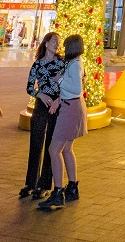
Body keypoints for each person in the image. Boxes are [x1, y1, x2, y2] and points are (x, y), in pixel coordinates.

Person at [38, 33, 86, 212]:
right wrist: (58, 99)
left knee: (53, 149)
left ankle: (58, 192)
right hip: (72, 106)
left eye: (66, 46)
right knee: (66, 149)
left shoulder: (74, 65)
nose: (63, 48)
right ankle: (72, 186)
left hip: (70, 109)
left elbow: (75, 88)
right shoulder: (76, 63)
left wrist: (60, 79)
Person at [21, 32, 66, 200]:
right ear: (46, 43)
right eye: (54, 41)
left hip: (56, 105)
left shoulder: (62, 63)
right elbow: (29, 87)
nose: (57, 44)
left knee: (51, 145)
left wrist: (57, 100)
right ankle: (30, 183)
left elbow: (68, 84)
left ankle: (45, 184)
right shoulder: (38, 64)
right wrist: (39, 95)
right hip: (41, 104)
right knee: (36, 142)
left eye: (58, 42)